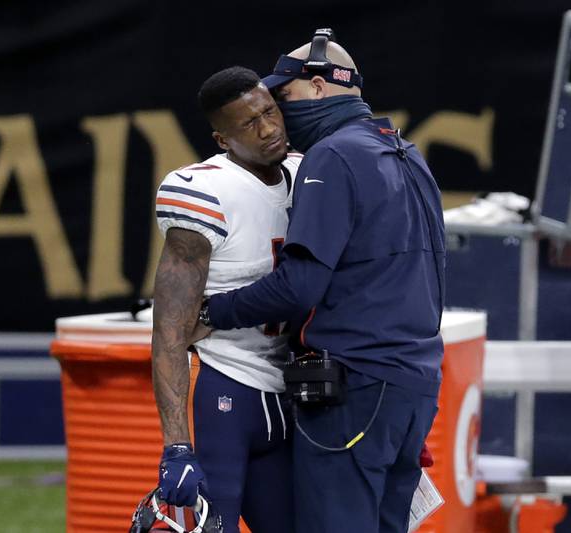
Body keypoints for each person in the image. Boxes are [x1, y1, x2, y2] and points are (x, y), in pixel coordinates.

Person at [200, 30, 446, 533]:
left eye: (282, 98)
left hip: (357, 383)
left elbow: (299, 287)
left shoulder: (333, 156)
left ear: (316, 89)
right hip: (414, 384)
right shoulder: (408, 154)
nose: (277, 118)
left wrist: (211, 313)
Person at [151, 66, 301, 533]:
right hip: (231, 388)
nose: (269, 128)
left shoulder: (307, 171)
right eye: (249, 124)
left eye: (270, 112)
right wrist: (176, 446)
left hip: (298, 387)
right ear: (222, 139)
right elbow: (171, 329)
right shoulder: (206, 191)